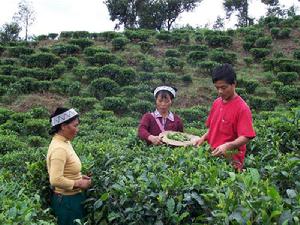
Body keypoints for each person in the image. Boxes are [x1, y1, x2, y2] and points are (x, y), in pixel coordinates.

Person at [195, 64, 256, 171]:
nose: (220, 91)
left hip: (231, 161)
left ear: (234, 84)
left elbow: (247, 136)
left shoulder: (242, 108)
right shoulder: (216, 103)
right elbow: (213, 128)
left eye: (223, 87)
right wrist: (203, 138)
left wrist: (228, 146)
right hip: (213, 156)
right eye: (217, 88)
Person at [47, 107, 91, 225]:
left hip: (73, 198)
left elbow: (67, 170)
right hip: (67, 201)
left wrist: (79, 177)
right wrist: (78, 183)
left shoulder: (65, 142)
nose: (77, 130)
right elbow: (55, 179)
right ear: (63, 126)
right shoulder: (59, 148)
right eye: (75, 126)